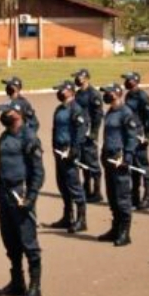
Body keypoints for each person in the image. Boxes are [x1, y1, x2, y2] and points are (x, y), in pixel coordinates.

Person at [0, 100, 46, 296]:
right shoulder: (4, 136)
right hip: (5, 193)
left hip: (21, 193)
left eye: (7, 111)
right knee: (10, 241)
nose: (4, 115)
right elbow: (1, 166)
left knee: (28, 242)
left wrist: (31, 197)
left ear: (19, 113)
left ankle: (35, 287)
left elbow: (38, 172)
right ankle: (17, 282)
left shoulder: (29, 138)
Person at [97, 83, 140, 246]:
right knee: (112, 195)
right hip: (108, 156)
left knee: (122, 197)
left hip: (119, 158)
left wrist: (127, 157)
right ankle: (115, 228)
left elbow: (131, 137)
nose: (106, 95)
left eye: (108, 93)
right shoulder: (111, 111)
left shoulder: (125, 113)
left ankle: (124, 232)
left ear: (117, 94)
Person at [48, 81, 88, 233]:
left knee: (74, 185)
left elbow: (80, 133)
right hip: (59, 151)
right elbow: (55, 129)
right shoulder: (59, 109)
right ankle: (67, 217)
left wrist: (74, 151)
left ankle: (81, 219)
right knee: (63, 185)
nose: (59, 93)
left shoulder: (76, 109)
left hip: (70, 151)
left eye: (61, 90)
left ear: (70, 91)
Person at [123, 72, 149, 210]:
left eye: (128, 79)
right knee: (133, 166)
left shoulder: (142, 96)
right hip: (130, 135)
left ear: (135, 81)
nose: (126, 82)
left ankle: (148, 197)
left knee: (143, 166)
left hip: (140, 136)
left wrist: (147, 136)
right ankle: (135, 196)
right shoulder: (129, 95)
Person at [73, 69, 104, 204]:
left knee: (93, 163)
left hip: (89, 133)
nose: (77, 80)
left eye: (78, 77)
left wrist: (94, 133)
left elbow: (98, 115)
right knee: (83, 163)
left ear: (86, 78)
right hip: (79, 132)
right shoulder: (78, 93)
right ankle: (87, 190)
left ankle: (97, 192)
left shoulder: (94, 94)